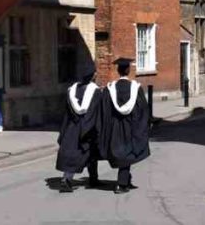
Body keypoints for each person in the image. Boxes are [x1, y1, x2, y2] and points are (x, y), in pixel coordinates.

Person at [99, 57, 151, 194]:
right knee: (127, 152)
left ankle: (126, 180)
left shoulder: (109, 89)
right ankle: (121, 184)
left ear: (117, 71)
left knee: (121, 151)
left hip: (115, 126)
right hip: (131, 126)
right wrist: (144, 125)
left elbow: (105, 110)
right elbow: (143, 110)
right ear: (128, 70)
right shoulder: (135, 88)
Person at [55, 69, 102, 193]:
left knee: (75, 152)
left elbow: (67, 112)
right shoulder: (95, 92)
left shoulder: (71, 91)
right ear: (92, 77)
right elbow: (97, 112)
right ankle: (85, 179)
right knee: (87, 152)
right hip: (88, 126)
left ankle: (71, 178)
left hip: (72, 127)